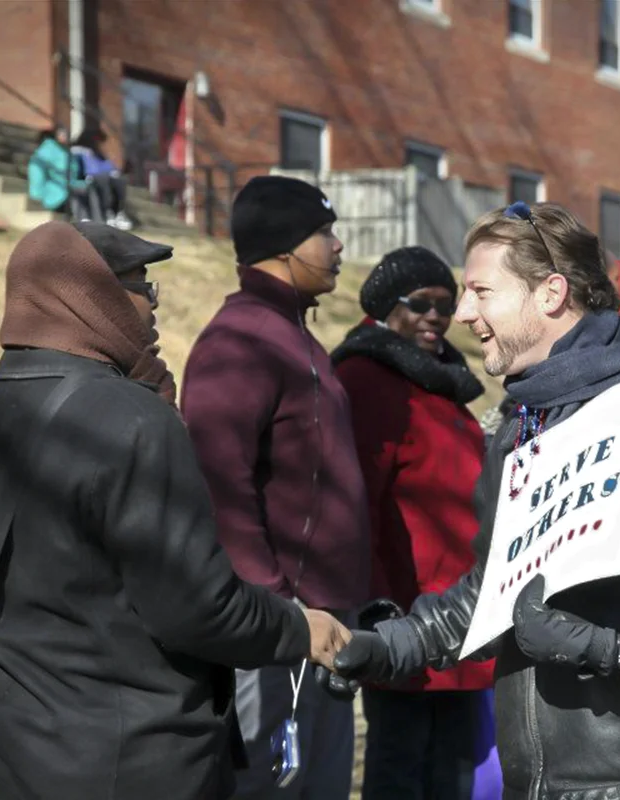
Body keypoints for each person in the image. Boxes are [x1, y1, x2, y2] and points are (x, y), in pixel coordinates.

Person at [333, 201, 620, 800]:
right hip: (550, 779)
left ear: (551, 292)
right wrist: (389, 646)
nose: (464, 313)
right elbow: (493, 589)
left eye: (480, 291)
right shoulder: (525, 423)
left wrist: (612, 645)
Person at [0, 220, 352, 800]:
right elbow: (194, 610)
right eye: (142, 286)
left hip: (0, 760)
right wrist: (296, 627)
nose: (154, 306)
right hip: (133, 763)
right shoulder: (136, 421)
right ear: (93, 296)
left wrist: (32, 633)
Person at [181, 175, 370, 799]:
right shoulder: (239, 341)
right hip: (275, 629)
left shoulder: (294, 334)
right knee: (268, 789)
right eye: (325, 232)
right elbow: (218, 483)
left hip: (322, 627)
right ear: (284, 246)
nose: (338, 247)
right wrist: (276, 607)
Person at [331, 246, 498, 800]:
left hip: (460, 612)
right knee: (401, 769)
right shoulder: (367, 377)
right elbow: (358, 506)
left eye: (446, 307)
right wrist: (378, 609)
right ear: (384, 306)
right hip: (406, 615)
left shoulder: (438, 378)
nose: (435, 316)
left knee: (452, 773)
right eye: (420, 304)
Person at [27, 127, 100, 221]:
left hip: (69, 187)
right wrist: (36, 193)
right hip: (56, 192)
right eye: (62, 134)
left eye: (67, 134)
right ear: (56, 135)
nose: (66, 137)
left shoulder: (66, 151)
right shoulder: (48, 149)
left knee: (91, 188)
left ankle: (95, 220)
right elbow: (36, 169)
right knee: (77, 194)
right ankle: (85, 221)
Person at [71, 129, 132, 230]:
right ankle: (107, 212)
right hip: (89, 177)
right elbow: (91, 168)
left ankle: (117, 212)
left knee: (120, 180)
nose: (101, 144)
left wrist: (114, 171)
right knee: (104, 180)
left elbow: (107, 165)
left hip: (101, 176)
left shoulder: (97, 153)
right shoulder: (82, 151)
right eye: (99, 141)